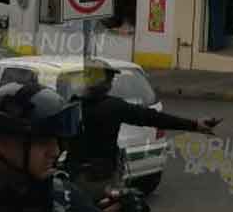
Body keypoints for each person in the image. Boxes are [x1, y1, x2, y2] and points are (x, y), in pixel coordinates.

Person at [0, 82, 122, 212]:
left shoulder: (64, 196)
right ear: (2, 141)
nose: (54, 152)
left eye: (57, 141)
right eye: (41, 141)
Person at [64, 59, 218, 201]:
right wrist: (195, 125)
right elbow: (152, 118)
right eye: (109, 79)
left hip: (75, 179)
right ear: (102, 82)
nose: (111, 84)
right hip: (101, 180)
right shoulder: (113, 107)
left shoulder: (72, 106)